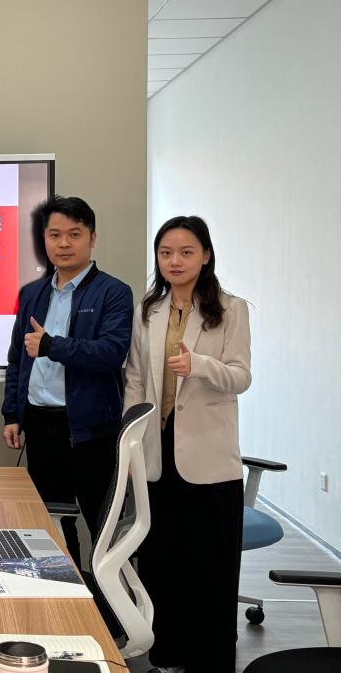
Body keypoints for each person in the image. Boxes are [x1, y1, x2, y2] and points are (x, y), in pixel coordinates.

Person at [123, 216, 251, 673]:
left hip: (208, 458)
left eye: (186, 252)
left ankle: (211, 659)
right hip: (157, 451)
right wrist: (129, 447)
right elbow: (135, 381)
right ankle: (167, 654)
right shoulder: (149, 310)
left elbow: (241, 377)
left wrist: (199, 365)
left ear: (206, 255)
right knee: (162, 560)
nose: (174, 261)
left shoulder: (231, 309)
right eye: (166, 253)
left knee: (211, 566)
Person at [1, 196, 133, 567]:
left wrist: (52, 346)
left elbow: (111, 353)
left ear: (92, 238)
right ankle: (64, 591)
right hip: (41, 426)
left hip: (91, 431)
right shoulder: (32, 293)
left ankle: (110, 599)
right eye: (55, 234)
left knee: (104, 526)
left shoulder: (113, 292)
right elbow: (17, 359)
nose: (64, 243)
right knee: (51, 525)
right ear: (44, 239)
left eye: (74, 234)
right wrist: (11, 414)